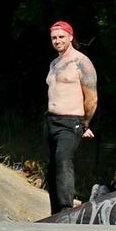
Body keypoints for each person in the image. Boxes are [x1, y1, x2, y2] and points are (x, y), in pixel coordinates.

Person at [44, 20, 98, 214]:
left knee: (63, 160)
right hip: (51, 121)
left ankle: (66, 209)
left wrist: (85, 124)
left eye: (61, 37)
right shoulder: (54, 63)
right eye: (54, 38)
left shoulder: (81, 62)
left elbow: (92, 98)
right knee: (51, 170)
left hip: (71, 122)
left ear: (70, 37)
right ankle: (55, 213)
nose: (57, 41)